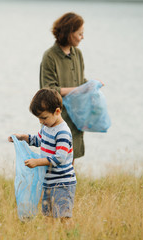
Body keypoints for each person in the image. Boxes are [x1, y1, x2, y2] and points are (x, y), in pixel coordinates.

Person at [8, 88, 76, 222]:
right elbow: (39, 140)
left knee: (63, 217)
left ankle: (70, 235)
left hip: (62, 183)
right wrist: (22, 137)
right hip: (49, 182)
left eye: (43, 117)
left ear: (57, 111)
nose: (40, 121)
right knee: (48, 216)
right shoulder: (47, 127)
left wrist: (37, 162)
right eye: (38, 118)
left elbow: (60, 157)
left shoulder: (62, 132)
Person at [40, 12, 99, 163]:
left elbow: (80, 81)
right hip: (57, 118)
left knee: (71, 162)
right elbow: (48, 90)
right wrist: (79, 90)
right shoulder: (50, 56)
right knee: (56, 161)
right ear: (68, 33)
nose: (82, 37)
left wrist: (92, 85)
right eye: (80, 33)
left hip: (76, 117)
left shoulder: (77, 54)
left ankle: (68, 187)